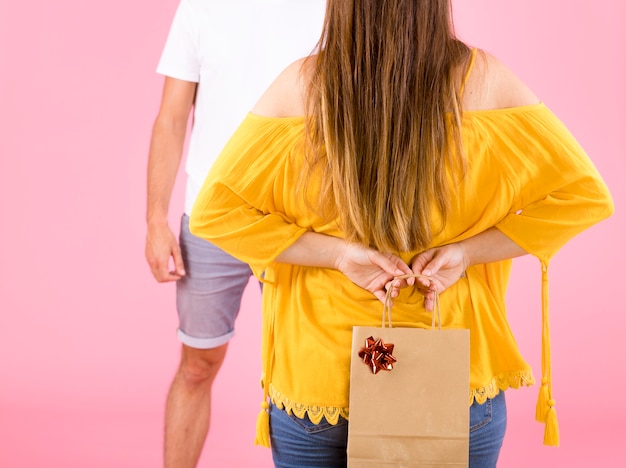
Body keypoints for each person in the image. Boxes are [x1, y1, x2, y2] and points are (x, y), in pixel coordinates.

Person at [189, 0, 614, 466]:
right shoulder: (487, 80)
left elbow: (214, 211)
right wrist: (467, 253)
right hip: (454, 379)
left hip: (319, 380)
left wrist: (336, 255)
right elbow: (586, 196)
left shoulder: (302, 86)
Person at [145, 1, 325, 466]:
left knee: (318, 371)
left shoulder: (336, 7)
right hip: (211, 222)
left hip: (301, 223)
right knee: (197, 366)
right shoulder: (200, 7)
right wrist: (154, 220)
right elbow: (170, 118)